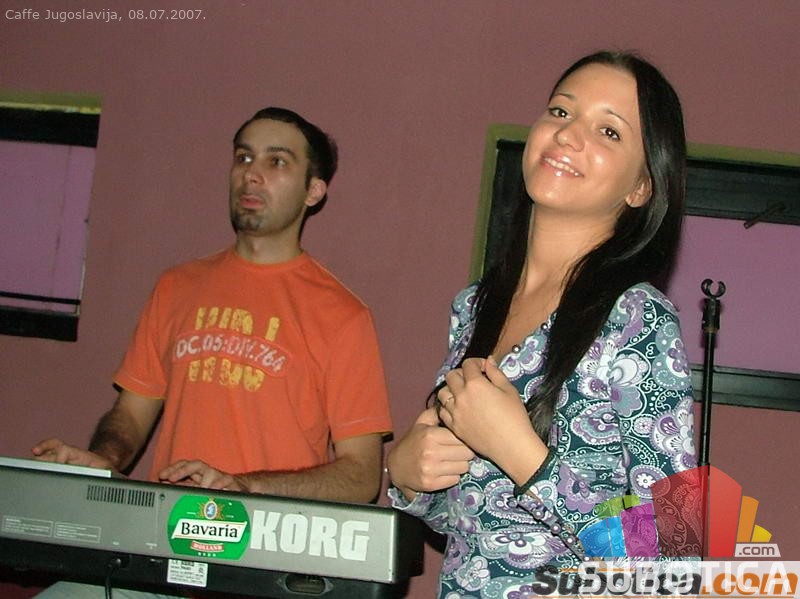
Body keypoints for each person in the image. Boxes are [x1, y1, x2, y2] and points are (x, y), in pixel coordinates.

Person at [30, 107, 393, 598]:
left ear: (314, 191)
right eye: (243, 157)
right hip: (161, 549)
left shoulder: (343, 315)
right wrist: (101, 460)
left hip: (262, 564)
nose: (252, 173)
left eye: (276, 161)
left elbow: (361, 476)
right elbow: (130, 414)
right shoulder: (176, 287)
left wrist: (244, 487)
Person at [386, 51, 698, 598]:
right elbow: (479, 521)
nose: (568, 135)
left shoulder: (637, 319)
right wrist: (410, 478)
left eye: (608, 130)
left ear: (641, 187)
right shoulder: (474, 307)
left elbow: (676, 553)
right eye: (560, 112)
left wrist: (522, 454)